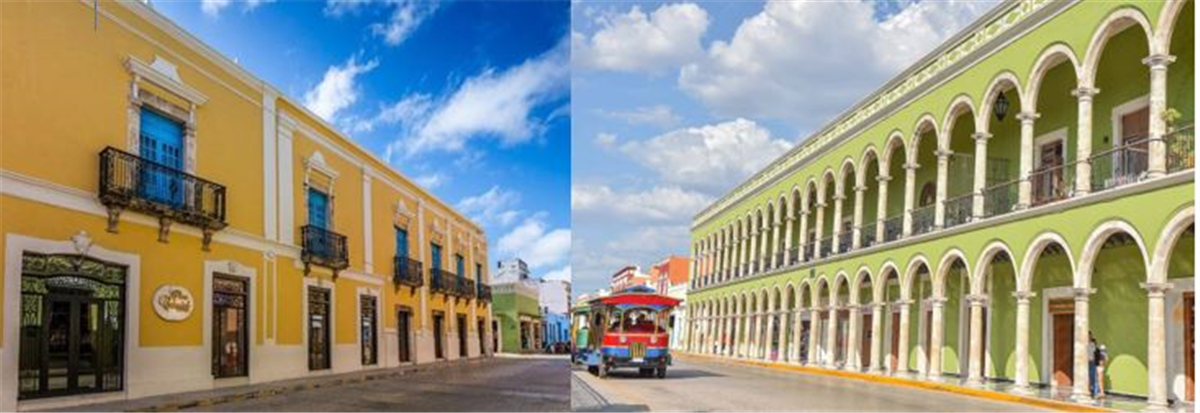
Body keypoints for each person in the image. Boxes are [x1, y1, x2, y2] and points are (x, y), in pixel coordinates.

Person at [1088, 332, 1098, 398]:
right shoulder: (1085, 343)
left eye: (1090, 335)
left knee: (1093, 377)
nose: (1089, 337)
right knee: (1088, 377)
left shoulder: (1093, 343)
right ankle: (1090, 390)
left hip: (1092, 362)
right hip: (1087, 362)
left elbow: (1094, 352)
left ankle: (1095, 391)